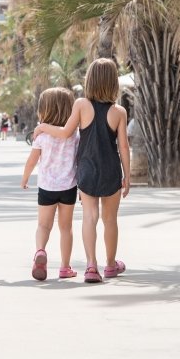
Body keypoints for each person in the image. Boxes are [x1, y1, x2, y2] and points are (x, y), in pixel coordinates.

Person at [33, 58, 131, 283]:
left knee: (90, 216)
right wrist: (128, 175)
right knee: (110, 219)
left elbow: (66, 133)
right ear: (113, 83)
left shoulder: (81, 105)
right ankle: (110, 265)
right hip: (111, 171)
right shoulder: (119, 112)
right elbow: (123, 147)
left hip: (86, 169)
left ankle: (90, 266)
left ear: (90, 80)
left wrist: (43, 127)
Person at [20, 88, 80, 281]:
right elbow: (79, 161)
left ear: (44, 110)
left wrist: (25, 178)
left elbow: (31, 161)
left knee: (44, 225)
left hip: (46, 187)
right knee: (66, 228)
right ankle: (65, 267)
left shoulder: (41, 136)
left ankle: (40, 251)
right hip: (68, 187)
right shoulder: (75, 136)